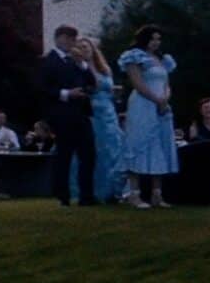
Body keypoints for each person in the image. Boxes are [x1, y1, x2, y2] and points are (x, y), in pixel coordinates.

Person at [116, 24, 180, 208]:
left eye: (158, 39)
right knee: (139, 143)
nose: (156, 42)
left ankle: (156, 193)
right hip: (143, 104)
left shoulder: (163, 59)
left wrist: (165, 100)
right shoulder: (135, 56)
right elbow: (137, 83)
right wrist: (156, 99)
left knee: (160, 144)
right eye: (152, 39)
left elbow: (166, 83)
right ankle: (134, 193)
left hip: (161, 105)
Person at [41, 23, 100, 206]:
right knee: (64, 156)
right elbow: (43, 89)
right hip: (62, 115)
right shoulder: (48, 61)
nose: (72, 43)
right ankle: (63, 196)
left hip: (81, 114)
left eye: (73, 39)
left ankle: (86, 196)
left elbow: (91, 82)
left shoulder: (75, 61)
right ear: (59, 38)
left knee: (88, 155)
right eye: (70, 39)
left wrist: (82, 64)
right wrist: (66, 93)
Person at [72, 37, 127, 205]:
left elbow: (110, 92)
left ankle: (114, 191)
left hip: (108, 113)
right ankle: (95, 191)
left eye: (87, 45)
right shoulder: (78, 69)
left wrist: (116, 96)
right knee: (95, 151)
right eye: (80, 47)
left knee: (114, 149)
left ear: (93, 48)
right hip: (90, 112)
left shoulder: (104, 68)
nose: (84, 48)